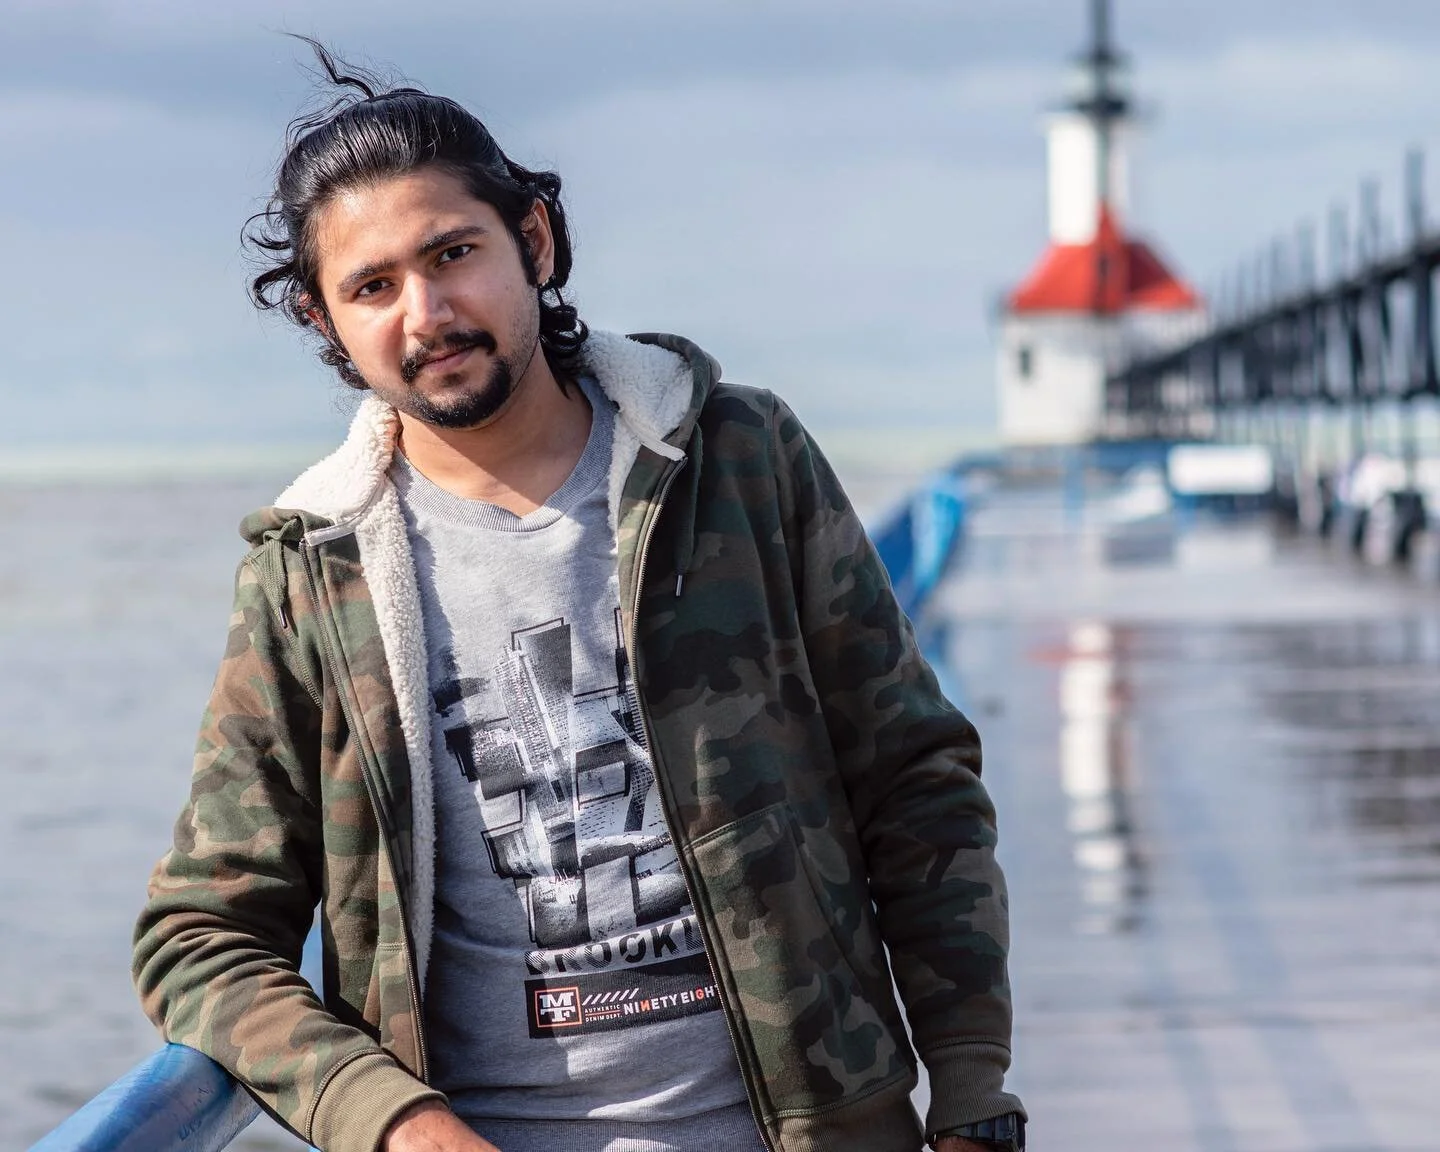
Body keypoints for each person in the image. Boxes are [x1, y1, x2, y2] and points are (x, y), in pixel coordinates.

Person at [132, 42, 1026, 1152]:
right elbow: (200, 940)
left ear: (534, 242)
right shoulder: (311, 574)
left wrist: (972, 1085)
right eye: (372, 287)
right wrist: (393, 1119)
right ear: (326, 323)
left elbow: (914, 781)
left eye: (453, 253)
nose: (426, 311)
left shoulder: (735, 461)